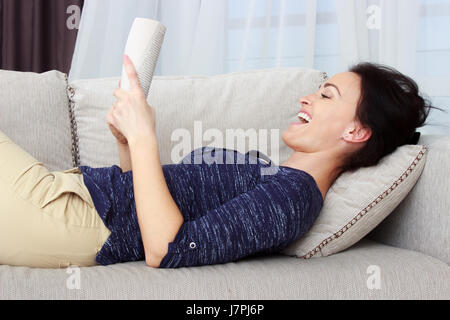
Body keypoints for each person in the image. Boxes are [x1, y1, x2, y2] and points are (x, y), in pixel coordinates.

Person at [0, 57, 435, 269]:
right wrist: (128, 143)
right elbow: (147, 210)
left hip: (71, 217)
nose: (307, 97)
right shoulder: (271, 173)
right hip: (74, 198)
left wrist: (146, 136)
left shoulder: (294, 198)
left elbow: (168, 249)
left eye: (327, 96)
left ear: (356, 132)